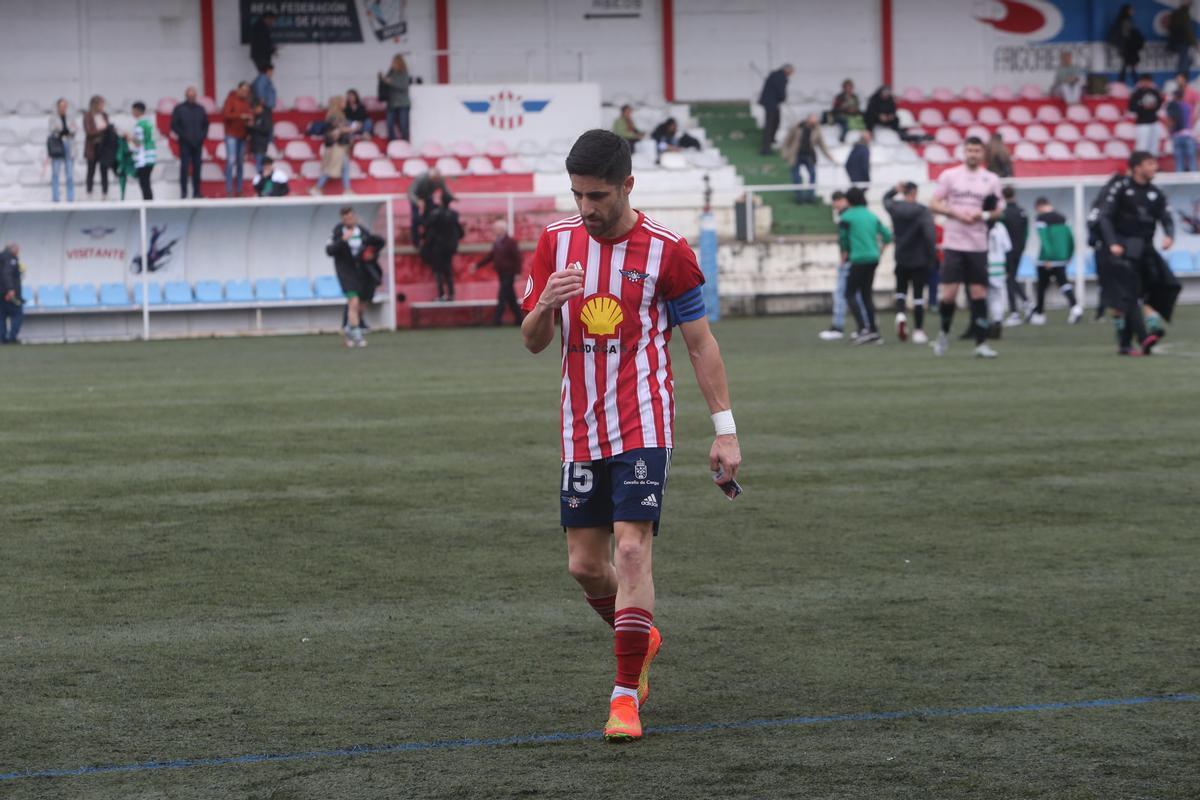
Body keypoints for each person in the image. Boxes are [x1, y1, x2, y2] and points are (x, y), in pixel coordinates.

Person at [518, 128, 741, 744]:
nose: (586, 208)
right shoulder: (556, 244)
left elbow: (700, 344)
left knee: (633, 550)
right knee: (585, 566)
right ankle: (638, 631)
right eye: (577, 195)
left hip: (644, 422)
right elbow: (533, 340)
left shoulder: (668, 251)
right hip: (580, 427)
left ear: (627, 186)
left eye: (598, 196)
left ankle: (623, 698)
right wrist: (545, 305)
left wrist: (725, 431)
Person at [1098, 151, 1180, 355]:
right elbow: (1104, 217)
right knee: (1130, 295)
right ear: (1137, 168)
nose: (1154, 168)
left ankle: (1125, 345)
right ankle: (1144, 338)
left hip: (1146, 250)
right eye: (1150, 164)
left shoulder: (1156, 193)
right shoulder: (1120, 188)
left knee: (1161, 287)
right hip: (1123, 250)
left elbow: (1166, 217)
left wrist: (1169, 235)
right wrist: (1112, 243)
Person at [929, 136, 1004, 358]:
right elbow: (933, 202)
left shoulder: (990, 179)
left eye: (976, 151)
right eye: (969, 150)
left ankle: (981, 343)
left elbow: (999, 210)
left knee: (978, 292)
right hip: (954, 242)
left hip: (978, 243)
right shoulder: (950, 176)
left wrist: (981, 214)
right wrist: (955, 213)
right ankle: (943, 334)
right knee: (949, 294)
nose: (972, 154)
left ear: (983, 154)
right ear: (964, 152)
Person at [884, 181, 936, 344]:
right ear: (914, 192)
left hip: (901, 256)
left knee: (901, 291)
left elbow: (885, 199)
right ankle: (918, 331)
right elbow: (929, 235)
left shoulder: (895, 208)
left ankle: (900, 315)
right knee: (918, 296)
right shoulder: (922, 211)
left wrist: (894, 189)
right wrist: (931, 256)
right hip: (919, 258)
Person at [838, 187, 892, 344]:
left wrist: (844, 254)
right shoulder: (871, 215)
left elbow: (843, 239)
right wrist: (880, 250)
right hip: (873, 258)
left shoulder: (846, 217)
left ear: (849, 200)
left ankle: (863, 329)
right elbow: (888, 236)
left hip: (858, 258)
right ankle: (874, 330)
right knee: (866, 294)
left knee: (849, 293)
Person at [819, 191, 866, 341]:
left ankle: (837, 327)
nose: (834, 206)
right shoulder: (863, 215)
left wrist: (843, 258)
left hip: (851, 260)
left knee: (841, 293)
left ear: (842, 200)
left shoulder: (846, 217)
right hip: (863, 259)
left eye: (835, 202)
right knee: (859, 295)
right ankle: (866, 326)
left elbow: (845, 241)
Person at [1029, 197, 1083, 325]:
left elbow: (1045, 239)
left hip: (1047, 260)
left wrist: (1048, 257)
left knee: (1042, 286)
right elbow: (1071, 238)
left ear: (1039, 206)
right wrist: (1069, 254)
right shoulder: (1063, 218)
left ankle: (1039, 315)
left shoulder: (1041, 219)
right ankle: (1075, 307)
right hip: (1062, 257)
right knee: (1063, 283)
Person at [326, 206, 371, 348]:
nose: (349, 220)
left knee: (361, 303)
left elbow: (371, 244)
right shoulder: (338, 232)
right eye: (346, 218)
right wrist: (342, 241)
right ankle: (358, 335)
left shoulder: (362, 231)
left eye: (351, 217)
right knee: (353, 300)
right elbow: (329, 250)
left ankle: (348, 329)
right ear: (342, 219)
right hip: (345, 271)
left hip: (362, 271)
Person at [471, 219, 524, 325]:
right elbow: (490, 256)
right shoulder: (497, 242)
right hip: (501, 273)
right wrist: (477, 265)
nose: (494, 230)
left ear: (502, 229)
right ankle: (519, 319)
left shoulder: (510, 242)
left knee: (502, 296)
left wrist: (518, 272)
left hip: (509, 273)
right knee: (510, 298)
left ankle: (497, 320)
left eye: (496, 229)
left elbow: (518, 258)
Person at [419, 195, 464, 301]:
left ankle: (441, 294)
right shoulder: (454, 215)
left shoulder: (436, 214)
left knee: (438, 270)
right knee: (447, 270)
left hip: (437, 247)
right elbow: (460, 231)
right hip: (449, 247)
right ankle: (451, 294)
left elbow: (426, 225)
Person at [782, 115, 833, 203]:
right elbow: (787, 141)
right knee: (796, 176)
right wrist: (786, 154)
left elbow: (822, 144)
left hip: (809, 155)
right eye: (812, 121)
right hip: (796, 154)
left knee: (812, 175)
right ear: (807, 120)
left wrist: (829, 156)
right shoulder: (797, 127)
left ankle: (810, 196)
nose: (813, 124)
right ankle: (799, 196)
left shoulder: (816, 130)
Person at [310, 96, 354, 196]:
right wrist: (352, 128)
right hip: (336, 146)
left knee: (344, 167)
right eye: (342, 102)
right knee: (331, 168)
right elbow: (340, 129)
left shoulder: (335, 115)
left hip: (339, 146)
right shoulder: (334, 116)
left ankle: (347, 190)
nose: (345, 103)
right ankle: (317, 188)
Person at [999, 186, 1031, 325]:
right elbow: (1026, 231)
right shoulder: (1022, 212)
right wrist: (1022, 246)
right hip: (1019, 249)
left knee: (1009, 279)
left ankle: (1015, 312)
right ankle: (1025, 303)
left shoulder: (1003, 214)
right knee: (1012, 278)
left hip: (1007, 251)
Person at [170, 86, 209, 199]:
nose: (192, 98)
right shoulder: (179, 108)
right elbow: (174, 125)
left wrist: (201, 136)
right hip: (185, 143)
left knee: (197, 168)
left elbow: (206, 125)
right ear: (186, 96)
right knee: (184, 168)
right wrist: (184, 136)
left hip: (198, 143)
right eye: (190, 96)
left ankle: (196, 192)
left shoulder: (200, 109)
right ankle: (184, 192)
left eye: (194, 96)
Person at [406, 167, 452, 247]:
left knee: (431, 217)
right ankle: (416, 241)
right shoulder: (421, 178)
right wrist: (417, 201)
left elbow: (445, 189)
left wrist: (452, 196)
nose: (435, 181)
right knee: (415, 218)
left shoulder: (439, 180)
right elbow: (411, 192)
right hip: (416, 197)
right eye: (434, 179)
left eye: (436, 179)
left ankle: (428, 239)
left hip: (427, 197)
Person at [985, 205, 1012, 338]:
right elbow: (1008, 248)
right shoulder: (1001, 228)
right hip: (999, 267)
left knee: (984, 298)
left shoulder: (980, 226)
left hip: (984, 265)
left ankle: (986, 324)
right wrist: (1008, 268)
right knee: (996, 296)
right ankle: (997, 321)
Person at [222, 82, 253, 197]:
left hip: (243, 135)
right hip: (231, 135)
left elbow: (249, 114)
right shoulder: (230, 100)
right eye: (243, 90)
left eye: (247, 91)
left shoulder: (247, 102)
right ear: (238, 89)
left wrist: (249, 120)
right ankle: (229, 190)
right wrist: (241, 116)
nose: (245, 93)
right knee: (231, 161)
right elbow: (226, 115)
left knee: (240, 163)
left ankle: (239, 190)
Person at [82, 95, 114, 201]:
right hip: (92, 146)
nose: (103, 106)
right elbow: (89, 132)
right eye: (101, 104)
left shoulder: (104, 115)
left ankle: (105, 193)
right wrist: (101, 129)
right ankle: (89, 192)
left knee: (104, 170)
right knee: (91, 170)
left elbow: (107, 130)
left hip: (103, 147)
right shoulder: (88, 116)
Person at [758, 64, 793, 154]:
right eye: (791, 72)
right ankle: (766, 147)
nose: (791, 74)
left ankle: (772, 139)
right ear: (787, 70)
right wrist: (783, 98)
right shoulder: (782, 77)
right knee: (770, 124)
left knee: (776, 120)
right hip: (771, 103)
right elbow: (781, 91)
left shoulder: (775, 74)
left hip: (771, 102)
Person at [48, 98, 77, 203]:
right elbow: (53, 130)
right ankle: (55, 197)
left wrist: (66, 131)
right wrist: (61, 132)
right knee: (55, 172)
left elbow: (74, 129)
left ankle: (70, 197)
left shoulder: (70, 118)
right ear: (57, 107)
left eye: (65, 106)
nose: (63, 108)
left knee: (69, 173)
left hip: (68, 145)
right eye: (61, 106)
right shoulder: (53, 118)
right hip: (58, 145)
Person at [1107, 4, 1144, 85]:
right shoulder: (1126, 21)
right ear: (1127, 11)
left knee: (1127, 66)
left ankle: (1123, 84)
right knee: (1129, 66)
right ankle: (1132, 84)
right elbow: (1126, 35)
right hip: (1128, 47)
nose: (1133, 12)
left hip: (1126, 47)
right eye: (1131, 10)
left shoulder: (1124, 20)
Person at [379, 54, 412, 142]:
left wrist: (391, 82)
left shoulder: (404, 73)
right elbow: (386, 84)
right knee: (389, 124)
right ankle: (392, 143)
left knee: (403, 125)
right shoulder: (390, 72)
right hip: (391, 103)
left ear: (399, 63)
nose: (392, 64)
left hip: (402, 103)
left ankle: (405, 142)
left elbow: (404, 86)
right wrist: (382, 79)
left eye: (394, 62)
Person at [1129, 74, 1164, 155]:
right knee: (1142, 145)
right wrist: (1143, 106)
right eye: (1144, 81)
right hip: (1142, 123)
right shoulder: (1137, 93)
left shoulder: (1155, 92)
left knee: (1154, 145)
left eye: (1148, 81)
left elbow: (1159, 104)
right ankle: (1141, 164)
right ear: (1141, 82)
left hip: (1154, 122)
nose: (1146, 83)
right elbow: (1131, 108)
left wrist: (1153, 106)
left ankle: (1153, 162)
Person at [128, 101, 156, 200]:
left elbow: (138, 142)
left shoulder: (140, 124)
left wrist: (128, 137)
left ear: (137, 110)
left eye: (133, 110)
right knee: (147, 182)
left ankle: (148, 205)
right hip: (151, 156)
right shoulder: (149, 123)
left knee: (144, 183)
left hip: (143, 157)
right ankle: (149, 202)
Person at [1167, 89, 1196, 172]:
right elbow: (1192, 119)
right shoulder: (1188, 106)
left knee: (1179, 158)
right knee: (1191, 157)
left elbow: (1171, 120)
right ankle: (1194, 176)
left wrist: (1170, 131)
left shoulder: (1172, 106)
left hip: (1177, 134)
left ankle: (1179, 174)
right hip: (1188, 134)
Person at [0, 244, 23, 344]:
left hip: (1, 293)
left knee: (1, 316)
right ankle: (12, 337)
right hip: (9, 294)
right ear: (12, 249)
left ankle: (2, 338)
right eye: (17, 250)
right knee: (18, 313)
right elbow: (7, 274)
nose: (18, 252)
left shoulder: (2, 257)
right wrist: (10, 289)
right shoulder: (11, 259)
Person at [1166, 1, 1196, 76]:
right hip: (1181, 42)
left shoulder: (1179, 13)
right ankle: (1180, 79)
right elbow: (1186, 30)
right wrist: (1194, 43)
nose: (1190, 4)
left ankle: (1182, 78)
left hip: (1178, 41)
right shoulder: (1182, 14)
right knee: (1183, 62)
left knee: (1188, 60)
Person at [247, 99, 274, 176]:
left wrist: (253, 126)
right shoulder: (256, 117)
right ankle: (261, 183)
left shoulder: (266, 116)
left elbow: (266, 130)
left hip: (261, 145)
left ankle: (261, 184)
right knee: (259, 166)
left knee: (260, 167)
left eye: (255, 108)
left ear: (259, 107)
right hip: (256, 145)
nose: (254, 111)